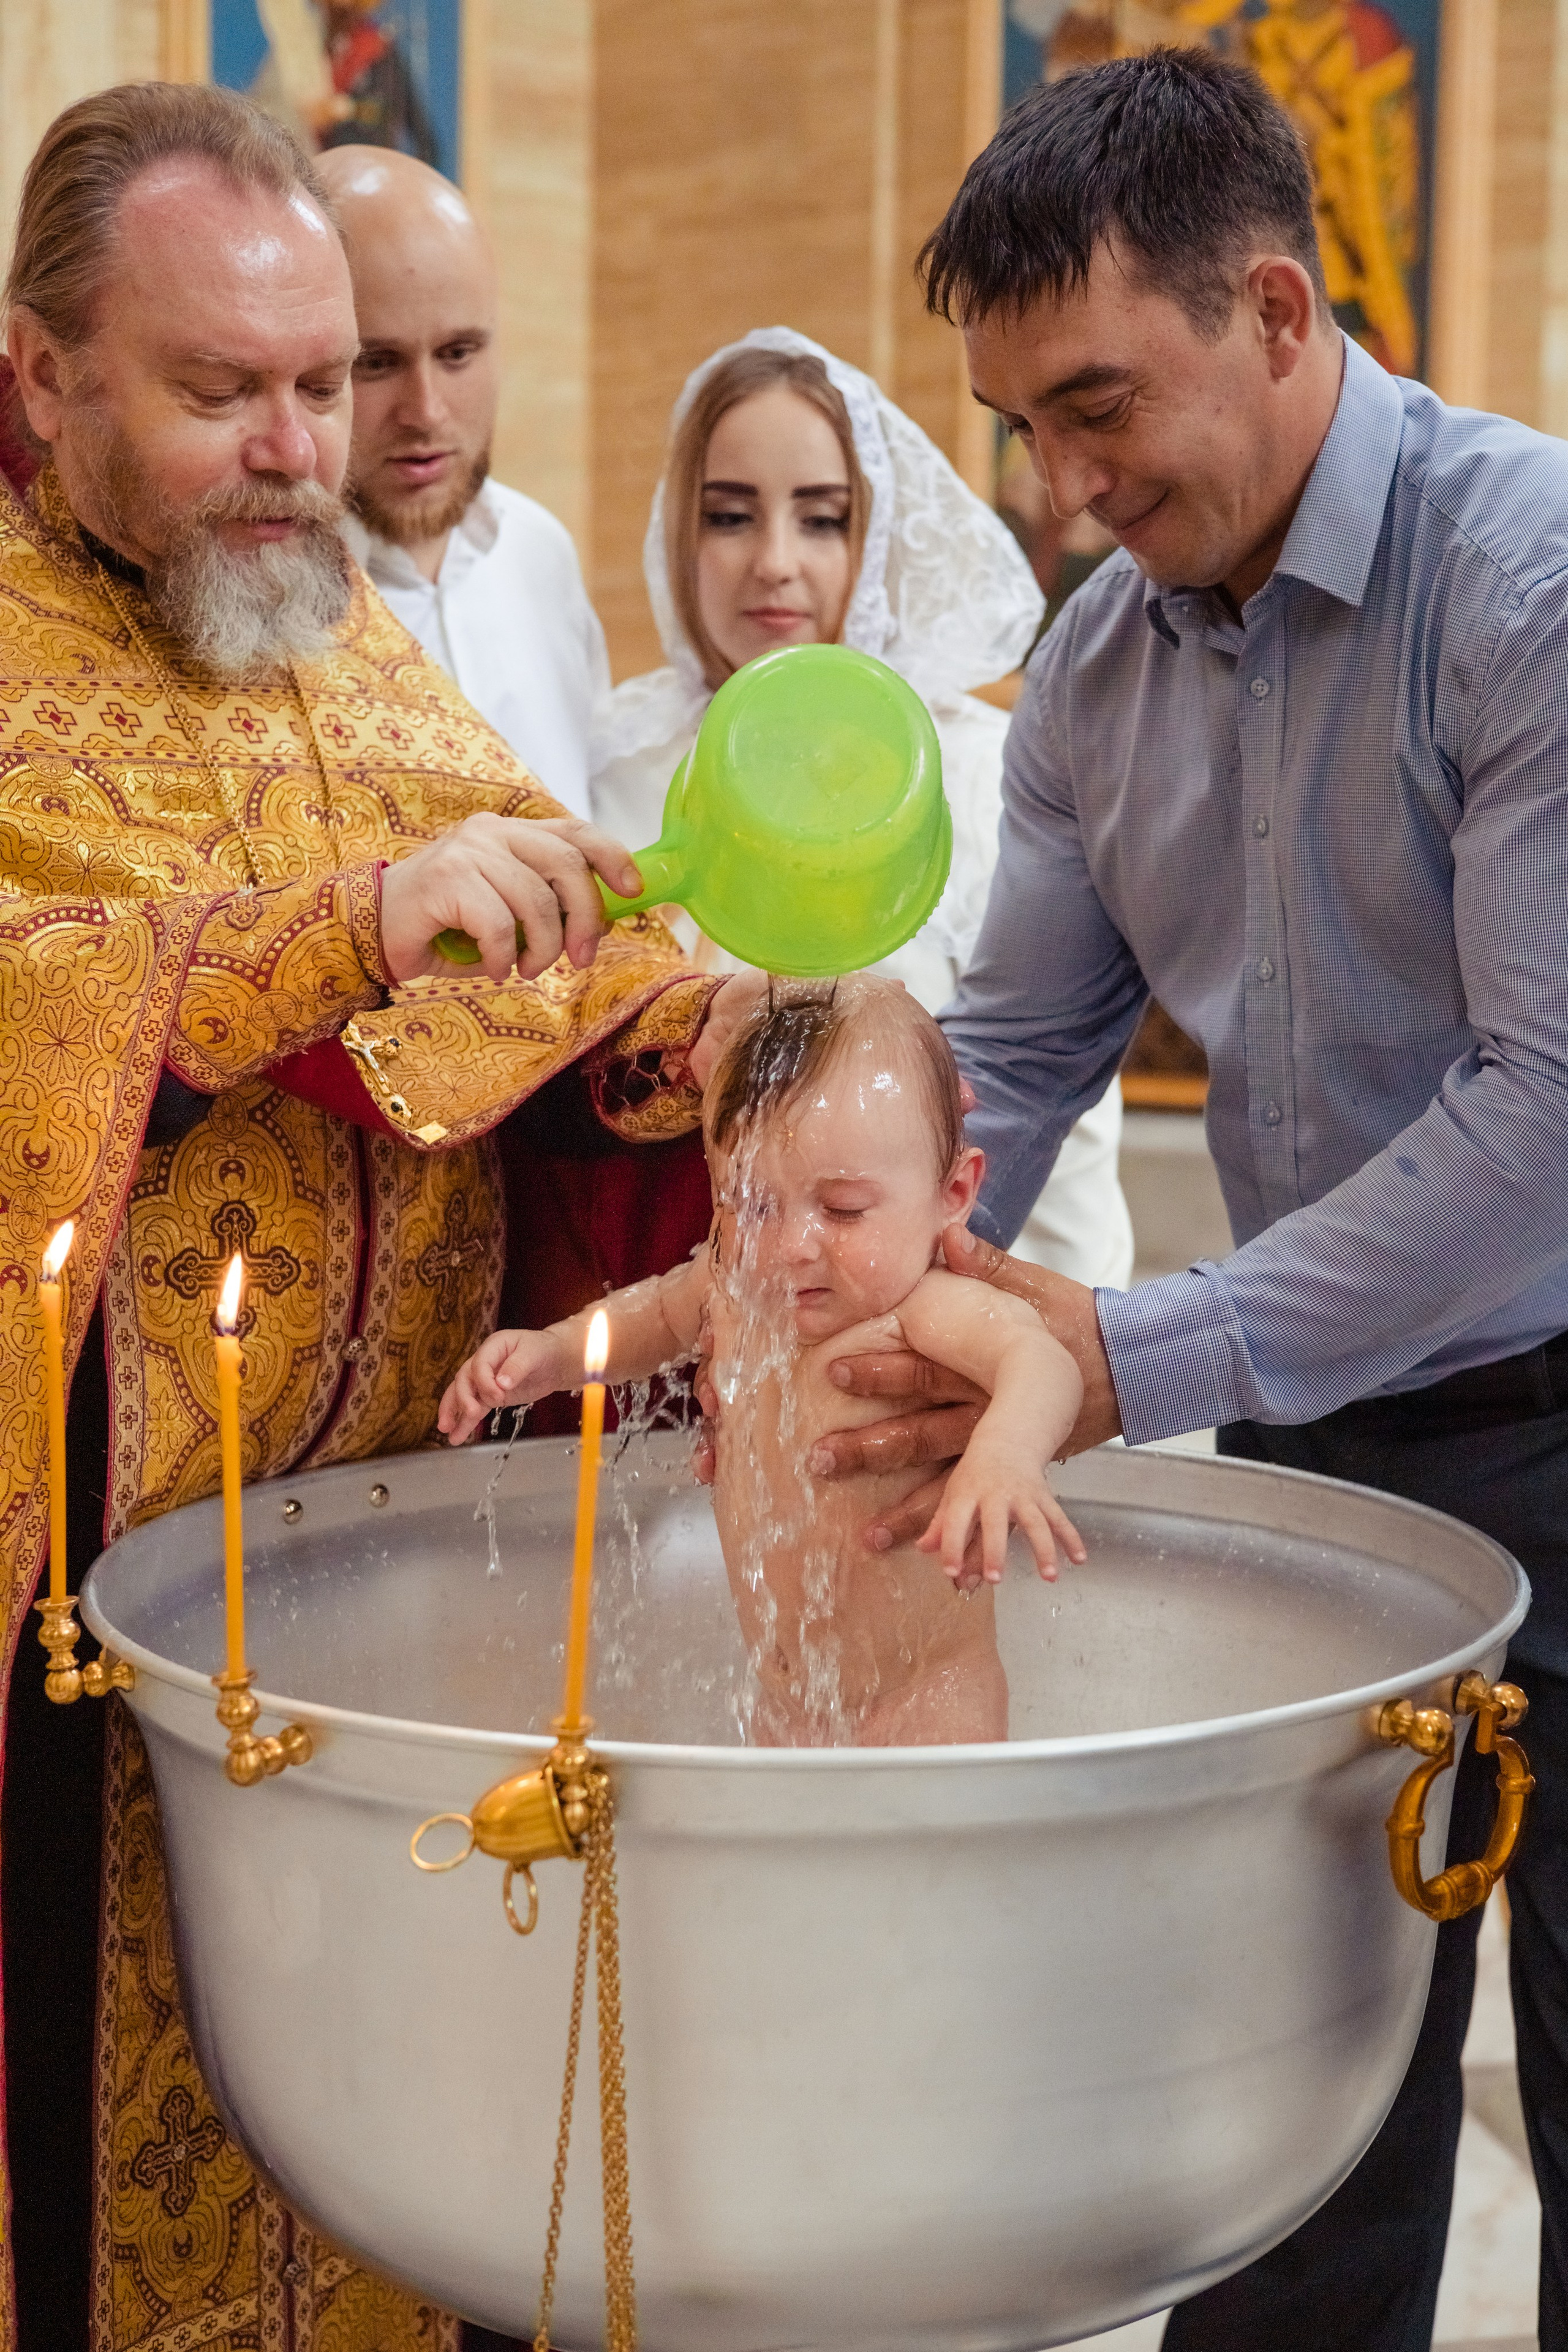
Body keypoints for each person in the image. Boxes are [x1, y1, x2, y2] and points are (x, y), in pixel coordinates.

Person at [807, 44, 1568, 2352]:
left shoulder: (1519, 578)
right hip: (1328, 1451)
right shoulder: (1095, 672)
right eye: (1019, 425)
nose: (1057, 486)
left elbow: (1543, 1115)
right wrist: (855, 1264)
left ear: (1269, 305)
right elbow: (1020, 1064)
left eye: (1099, 406)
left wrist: (1105, 1355)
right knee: (1283, 2131)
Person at [0, 80, 752, 2352]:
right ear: (38, 375)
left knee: (374, 2193)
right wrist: (316, 935)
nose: (298, 449)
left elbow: (562, 938)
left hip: (373, 1630)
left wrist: (712, 1034)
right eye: (219, 390)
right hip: (75, 1665)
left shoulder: (329, 629)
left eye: (319, 384)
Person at [592, 328, 1134, 1289]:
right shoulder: (617, 768)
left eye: (821, 519)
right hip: (673, 1327)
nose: (773, 562)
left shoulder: (970, 772)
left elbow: (1060, 1110)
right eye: (729, 516)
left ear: (875, 536)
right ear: (680, 531)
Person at [441, 978, 1086, 1743]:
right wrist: (551, 1354)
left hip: (925, 1699)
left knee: (929, 1862)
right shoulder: (734, 1286)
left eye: (843, 1210)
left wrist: (1005, 1456)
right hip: (782, 1696)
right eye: (749, 1203)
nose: (791, 1246)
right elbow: (648, 1316)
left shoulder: (919, 1310)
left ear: (953, 1192)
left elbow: (1042, 1361)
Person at [319, 143, 609, 818]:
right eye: (378, 363)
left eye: (457, 354)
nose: (426, 410)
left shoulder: (541, 553)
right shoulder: (257, 602)